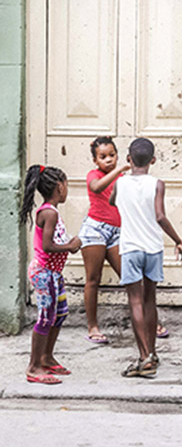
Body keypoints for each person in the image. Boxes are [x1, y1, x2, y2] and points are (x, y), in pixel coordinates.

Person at [80, 136, 169, 344]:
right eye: (103, 157)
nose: (108, 160)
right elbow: (97, 188)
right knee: (93, 279)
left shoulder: (127, 179)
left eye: (112, 155)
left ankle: (149, 322)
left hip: (119, 232)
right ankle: (92, 326)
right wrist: (119, 170)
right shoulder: (96, 175)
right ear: (95, 160)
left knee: (133, 279)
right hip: (95, 230)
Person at [110, 138, 182, 378]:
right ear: (153, 160)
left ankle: (144, 357)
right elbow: (160, 216)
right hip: (153, 248)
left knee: (135, 301)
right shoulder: (157, 184)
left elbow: (112, 201)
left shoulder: (120, 183)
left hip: (130, 248)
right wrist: (178, 240)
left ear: (128, 159)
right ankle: (151, 353)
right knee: (150, 299)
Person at [21, 164, 82, 384]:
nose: (67, 189)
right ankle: (34, 366)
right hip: (44, 273)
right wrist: (70, 246)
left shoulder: (52, 211)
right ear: (59, 186)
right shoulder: (49, 213)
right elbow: (47, 246)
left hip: (54, 273)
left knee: (60, 313)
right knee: (46, 317)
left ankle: (46, 357)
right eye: (66, 184)